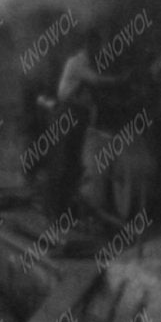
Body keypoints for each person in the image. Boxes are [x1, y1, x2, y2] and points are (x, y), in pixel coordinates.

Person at [42, 41, 96, 222]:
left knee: (72, 165)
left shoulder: (87, 63)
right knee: (61, 162)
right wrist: (120, 79)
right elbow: (96, 80)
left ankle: (62, 210)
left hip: (77, 114)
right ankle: (54, 211)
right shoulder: (77, 63)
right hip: (67, 112)